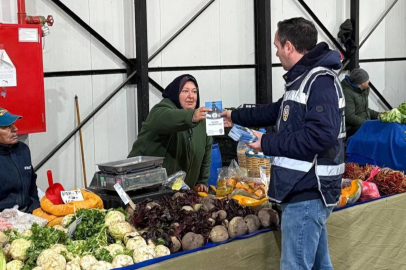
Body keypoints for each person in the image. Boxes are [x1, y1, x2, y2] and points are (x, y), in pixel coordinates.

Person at [221, 17, 345, 270]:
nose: (275, 52)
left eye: (277, 45)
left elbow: (320, 135)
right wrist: (233, 116)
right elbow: (273, 111)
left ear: (289, 46)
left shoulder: (319, 82)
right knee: (321, 265)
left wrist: (266, 142)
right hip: (301, 190)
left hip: (309, 191)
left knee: (295, 265)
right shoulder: (300, 81)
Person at [128, 74, 212, 192]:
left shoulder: (201, 121)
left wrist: (202, 181)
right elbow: (167, 118)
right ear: (175, 94)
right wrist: (191, 116)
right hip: (146, 190)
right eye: (185, 91)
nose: (191, 96)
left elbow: (206, 153)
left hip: (181, 194)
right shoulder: (160, 112)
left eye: (194, 92)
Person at [0, 108, 40, 213]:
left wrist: (35, 208)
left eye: (13, 124)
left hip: (27, 213)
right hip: (3, 220)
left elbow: (32, 183)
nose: (15, 129)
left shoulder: (23, 149)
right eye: (7, 126)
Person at [341, 68, 381, 137]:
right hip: (353, 128)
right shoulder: (347, 93)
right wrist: (368, 123)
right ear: (362, 83)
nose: (368, 81)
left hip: (364, 123)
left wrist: (378, 114)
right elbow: (349, 116)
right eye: (367, 79)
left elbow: (364, 109)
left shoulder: (363, 90)